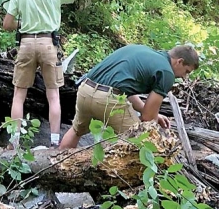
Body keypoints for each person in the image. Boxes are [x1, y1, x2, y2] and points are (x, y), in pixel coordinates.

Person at [2, 0, 136, 148]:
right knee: (53, 94)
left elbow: (7, 24)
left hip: (26, 44)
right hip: (49, 44)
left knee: (19, 94)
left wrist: (22, 23)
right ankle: (55, 143)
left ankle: (13, 143)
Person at [59, 44, 199, 149]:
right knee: (140, 142)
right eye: (186, 71)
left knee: (76, 131)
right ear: (179, 61)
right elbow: (148, 118)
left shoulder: (143, 51)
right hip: (107, 99)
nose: (184, 77)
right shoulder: (166, 72)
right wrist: (162, 133)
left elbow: (124, 91)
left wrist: (150, 111)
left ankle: (55, 167)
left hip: (85, 90)